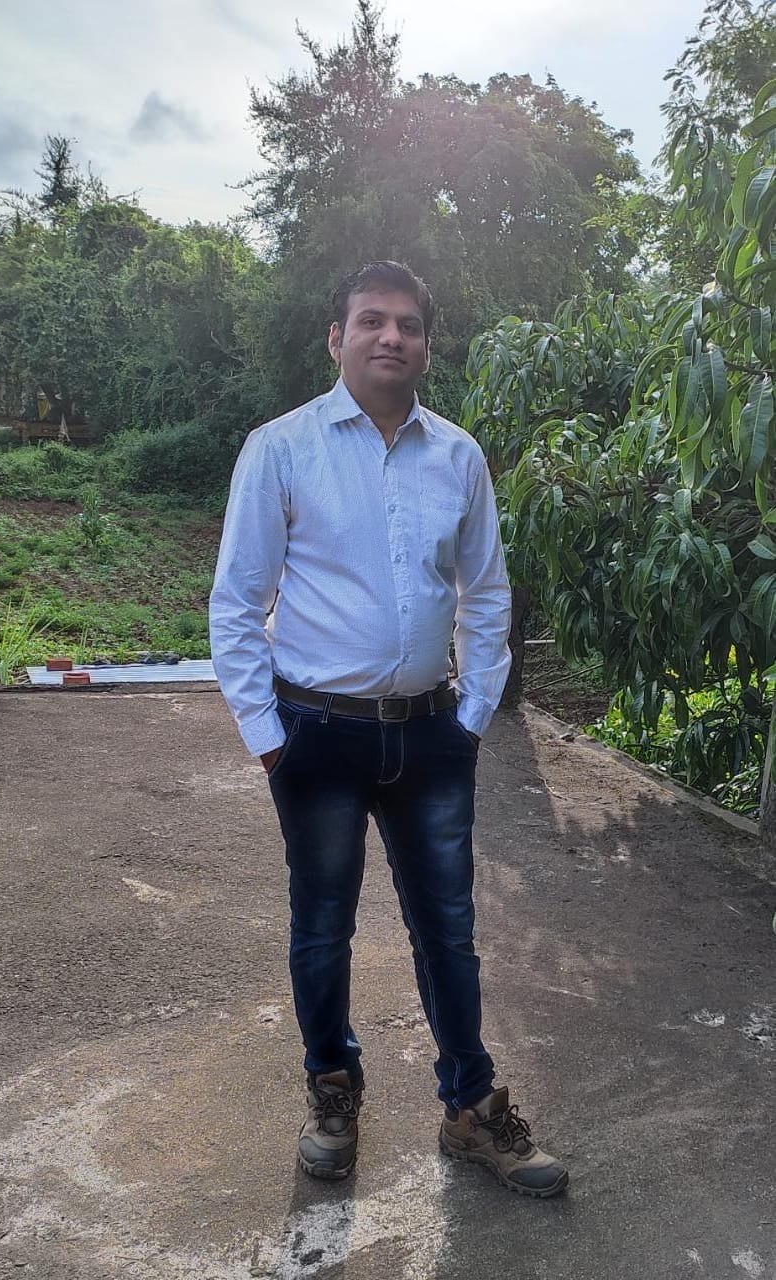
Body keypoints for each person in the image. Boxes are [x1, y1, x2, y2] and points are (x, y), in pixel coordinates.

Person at [209, 261, 568, 1198]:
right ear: (337, 338)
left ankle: (471, 1109)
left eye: (408, 324)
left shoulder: (457, 455)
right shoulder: (281, 449)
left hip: (431, 736)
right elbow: (237, 601)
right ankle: (332, 1090)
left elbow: (485, 593)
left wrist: (473, 713)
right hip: (315, 735)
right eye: (371, 321)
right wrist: (266, 733)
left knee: (448, 931)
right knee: (321, 929)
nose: (390, 337)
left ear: (425, 345)